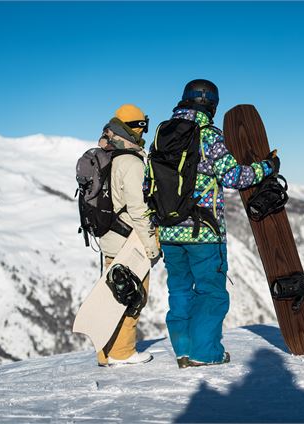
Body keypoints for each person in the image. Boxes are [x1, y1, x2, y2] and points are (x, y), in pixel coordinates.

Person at [158, 79, 279, 368]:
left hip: (168, 230)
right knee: (211, 292)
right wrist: (268, 167)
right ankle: (205, 353)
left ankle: (184, 352)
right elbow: (232, 177)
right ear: (212, 105)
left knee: (180, 291)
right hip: (203, 232)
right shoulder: (209, 135)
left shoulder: (162, 135)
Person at [97, 104, 162, 367]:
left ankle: (105, 352)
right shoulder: (131, 162)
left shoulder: (107, 156)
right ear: (133, 127)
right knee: (132, 296)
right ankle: (122, 352)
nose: (143, 131)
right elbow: (138, 208)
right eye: (141, 126)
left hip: (109, 238)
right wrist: (151, 246)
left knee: (111, 296)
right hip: (129, 242)